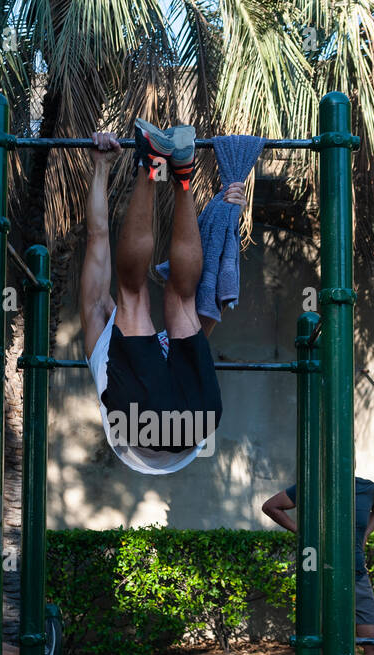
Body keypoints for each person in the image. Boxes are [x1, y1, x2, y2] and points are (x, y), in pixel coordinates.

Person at [80, 122, 246, 474]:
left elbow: (206, 307)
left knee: (177, 298)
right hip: (142, 422)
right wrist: (101, 166)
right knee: (136, 292)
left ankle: (180, 174)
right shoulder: (105, 346)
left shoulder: (111, 340)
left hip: (197, 422)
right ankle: (151, 165)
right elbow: (96, 236)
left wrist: (101, 167)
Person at [261, 477, 374, 655]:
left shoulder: (367, 489)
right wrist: (303, 533)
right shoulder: (313, 485)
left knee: (373, 640)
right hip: (320, 574)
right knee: (323, 638)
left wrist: (365, 534)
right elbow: (271, 506)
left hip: (356, 574)